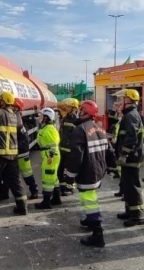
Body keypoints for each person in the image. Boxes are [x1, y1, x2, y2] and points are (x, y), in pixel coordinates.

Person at [62, 100, 115, 248]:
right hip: (98, 171)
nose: (79, 112)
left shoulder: (79, 130)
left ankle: (98, 234)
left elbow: (75, 157)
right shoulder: (100, 128)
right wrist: (112, 167)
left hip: (87, 172)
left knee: (89, 200)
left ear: (85, 112)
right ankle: (89, 220)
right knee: (91, 196)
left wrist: (69, 175)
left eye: (81, 110)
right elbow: (110, 150)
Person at [114, 89, 144, 226]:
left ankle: (137, 216)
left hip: (131, 158)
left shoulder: (131, 116)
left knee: (133, 187)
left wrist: (124, 154)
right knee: (127, 186)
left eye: (122, 99)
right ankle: (129, 211)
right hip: (130, 158)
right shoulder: (129, 114)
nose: (120, 102)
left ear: (128, 100)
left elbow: (131, 138)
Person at [34, 107, 62, 209]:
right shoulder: (47, 128)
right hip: (49, 156)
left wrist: (50, 156)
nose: (40, 117)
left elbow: (53, 145)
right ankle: (56, 199)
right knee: (53, 178)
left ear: (47, 117)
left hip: (50, 157)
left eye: (42, 116)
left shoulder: (49, 129)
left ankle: (46, 202)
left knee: (47, 180)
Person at [13, 98, 39, 201]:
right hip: (22, 149)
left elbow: (16, 129)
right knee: (25, 173)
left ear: (16, 107)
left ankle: (34, 191)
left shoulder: (17, 116)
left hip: (21, 151)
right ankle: (33, 190)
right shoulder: (17, 116)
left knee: (26, 173)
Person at [56, 98, 80, 196]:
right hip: (62, 148)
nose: (66, 108)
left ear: (74, 108)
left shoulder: (76, 120)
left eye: (69, 106)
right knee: (60, 169)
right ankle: (62, 186)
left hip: (70, 150)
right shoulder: (65, 117)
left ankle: (70, 188)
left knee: (69, 170)